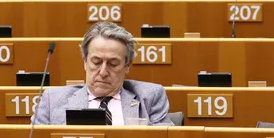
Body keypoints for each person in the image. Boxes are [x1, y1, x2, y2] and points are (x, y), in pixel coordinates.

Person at [31, 22, 174, 126]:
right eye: (96, 62)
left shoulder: (150, 97)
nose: (103, 72)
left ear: (127, 66)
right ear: (85, 62)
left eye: (113, 64)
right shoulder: (53, 100)